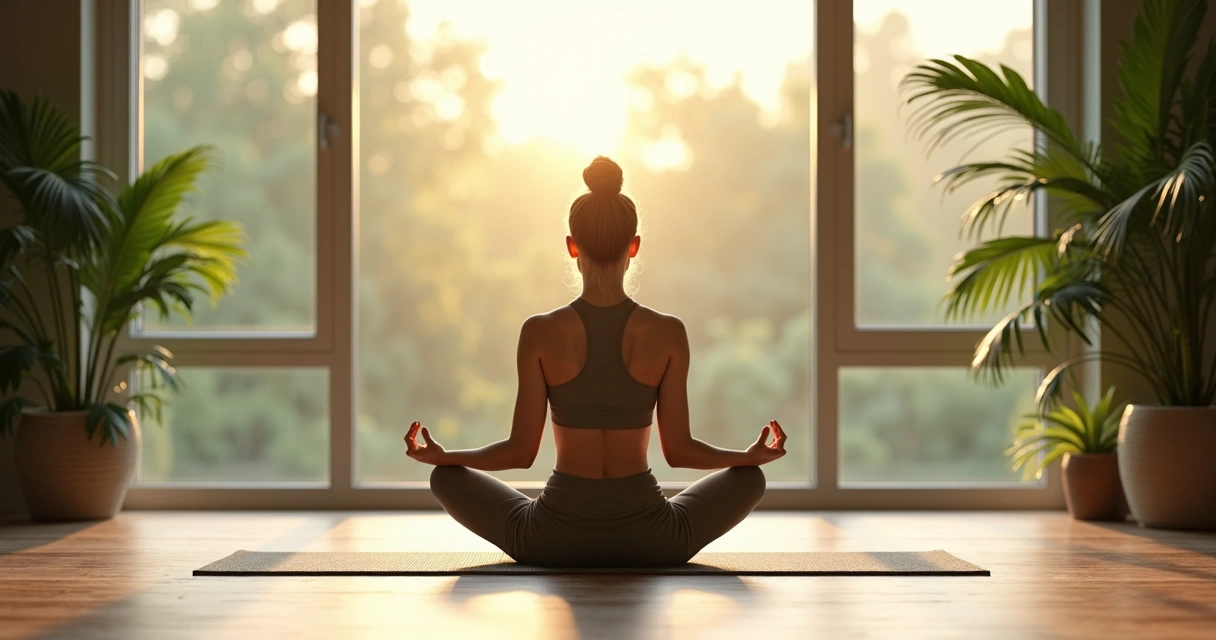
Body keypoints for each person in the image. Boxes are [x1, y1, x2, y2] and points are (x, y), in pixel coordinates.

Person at [404, 156, 788, 567]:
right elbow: (679, 452)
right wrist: (749, 458)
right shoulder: (668, 332)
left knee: (445, 478)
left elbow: (519, 453)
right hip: (654, 539)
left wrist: (443, 457)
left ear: (572, 246)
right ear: (634, 246)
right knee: (751, 479)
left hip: (550, 538)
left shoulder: (539, 331)